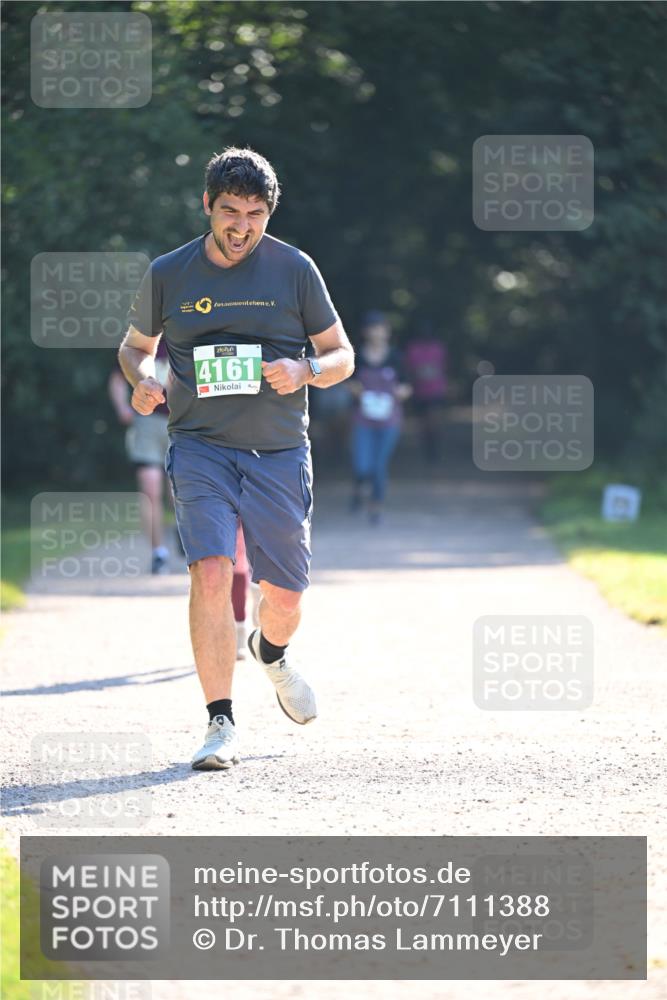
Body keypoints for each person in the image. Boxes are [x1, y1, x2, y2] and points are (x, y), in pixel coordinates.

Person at [118, 147, 354, 770]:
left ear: (269, 213)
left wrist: (304, 368)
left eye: (255, 214)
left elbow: (341, 356)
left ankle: (270, 653)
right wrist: (145, 377)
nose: (242, 226)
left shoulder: (295, 269)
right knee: (213, 573)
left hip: (278, 452)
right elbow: (136, 347)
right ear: (207, 205)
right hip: (200, 447)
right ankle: (220, 722)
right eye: (230, 211)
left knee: (286, 598)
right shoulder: (170, 272)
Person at [108, 338, 173, 574]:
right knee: (150, 487)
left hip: (182, 422)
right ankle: (159, 553)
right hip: (147, 422)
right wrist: (122, 407)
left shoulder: (189, 330)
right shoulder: (143, 340)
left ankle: (187, 539)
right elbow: (117, 378)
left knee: (179, 491)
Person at [348, 312, 411, 524]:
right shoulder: (357, 356)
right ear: (365, 332)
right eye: (372, 328)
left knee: (379, 465)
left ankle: (376, 506)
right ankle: (359, 487)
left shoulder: (396, 357)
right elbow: (349, 380)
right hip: (363, 419)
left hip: (389, 420)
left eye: (380, 328)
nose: (377, 332)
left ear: (387, 331)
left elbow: (407, 385)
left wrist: (400, 393)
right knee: (362, 464)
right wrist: (358, 391)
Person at [404, 321, 447, 464]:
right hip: (419, 392)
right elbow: (409, 369)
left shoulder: (438, 348)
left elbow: (443, 368)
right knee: (423, 425)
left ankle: (435, 451)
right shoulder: (413, 349)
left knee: (434, 423)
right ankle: (427, 450)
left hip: (435, 392)